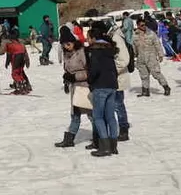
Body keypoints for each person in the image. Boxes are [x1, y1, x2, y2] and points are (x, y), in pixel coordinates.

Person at [55, 28, 94, 149]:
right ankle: (69, 139)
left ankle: (99, 135)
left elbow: (90, 72)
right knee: (75, 115)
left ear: (73, 42)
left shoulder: (81, 52)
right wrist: (67, 79)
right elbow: (67, 70)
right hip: (74, 89)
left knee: (91, 114)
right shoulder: (67, 55)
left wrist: (75, 76)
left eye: (68, 44)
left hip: (85, 88)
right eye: (64, 45)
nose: (67, 46)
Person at [86, 25, 119, 157]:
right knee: (110, 116)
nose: (87, 40)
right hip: (112, 85)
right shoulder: (109, 50)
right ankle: (113, 145)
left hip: (100, 86)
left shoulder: (95, 51)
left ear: (94, 38)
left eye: (88, 37)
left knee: (98, 117)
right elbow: (114, 70)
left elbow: (94, 70)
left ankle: (104, 146)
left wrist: (90, 80)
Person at [107, 18, 133, 141]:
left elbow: (123, 60)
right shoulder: (112, 37)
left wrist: (111, 70)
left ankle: (123, 129)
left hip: (118, 77)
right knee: (113, 105)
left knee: (118, 105)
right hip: (112, 78)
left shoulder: (116, 39)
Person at [133, 17, 170, 97]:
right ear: (138, 25)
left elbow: (157, 44)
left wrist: (160, 54)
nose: (143, 26)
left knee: (156, 73)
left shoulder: (151, 33)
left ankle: (166, 87)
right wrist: (134, 56)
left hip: (151, 57)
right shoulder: (135, 35)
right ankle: (145, 91)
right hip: (141, 58)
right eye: (141, 25)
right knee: (143, 75)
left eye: (144, 25)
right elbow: (134, 47)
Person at [0, 28, 31, 94]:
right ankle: (24, 86)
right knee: (20, 72)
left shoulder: (7, 41)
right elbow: (24, 52)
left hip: (16, 57)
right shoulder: (19, 42)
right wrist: (27, 61)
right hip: (22, 57)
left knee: (15, 73)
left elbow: (2, 51)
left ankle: (20, 88)